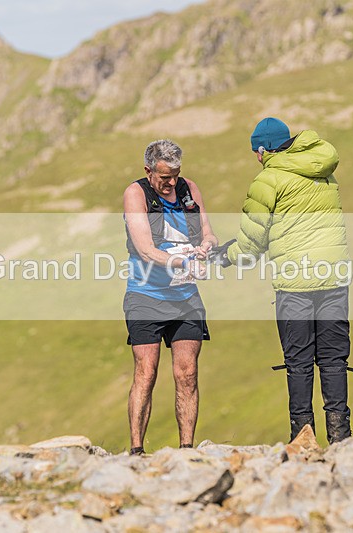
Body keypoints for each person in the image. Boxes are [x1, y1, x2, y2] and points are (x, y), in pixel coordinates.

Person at [211, 117, 352, 444]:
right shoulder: (324, 170)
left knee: (299, 362)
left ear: (262, 150)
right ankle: (341, 439)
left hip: (295, 284)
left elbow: (252, 243)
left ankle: (303, 440)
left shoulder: (268, 180)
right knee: (333, 359)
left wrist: (225, 256)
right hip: (333, 278)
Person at [123, 139, 218, 455]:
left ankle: (187, 448)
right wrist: (182, 261)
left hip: (186, 296)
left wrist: (206, 249)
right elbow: (145, 249)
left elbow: (208, 231)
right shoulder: (136, 194)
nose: (172, 183)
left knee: (187, 372)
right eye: (165, 177)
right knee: (146, 372)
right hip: (146, 295)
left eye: (176, 175)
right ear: (148, 171)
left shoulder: (190, 189)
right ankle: (137, 449)